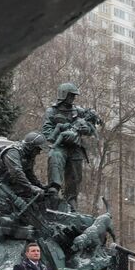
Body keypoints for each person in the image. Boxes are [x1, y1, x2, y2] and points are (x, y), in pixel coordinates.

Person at [41, 82, 101, 210]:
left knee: (75, 172)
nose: (73, 98)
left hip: (75, 146)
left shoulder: (79, 111)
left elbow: (91, 127)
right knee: (55, 156)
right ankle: (54, 189)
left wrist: (86, 130)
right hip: (60, 145)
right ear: (63, 95)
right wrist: (61, 136)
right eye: (71, 95)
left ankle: (71, 199)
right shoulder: (52, 111)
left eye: (74, 96)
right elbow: (46, 131)